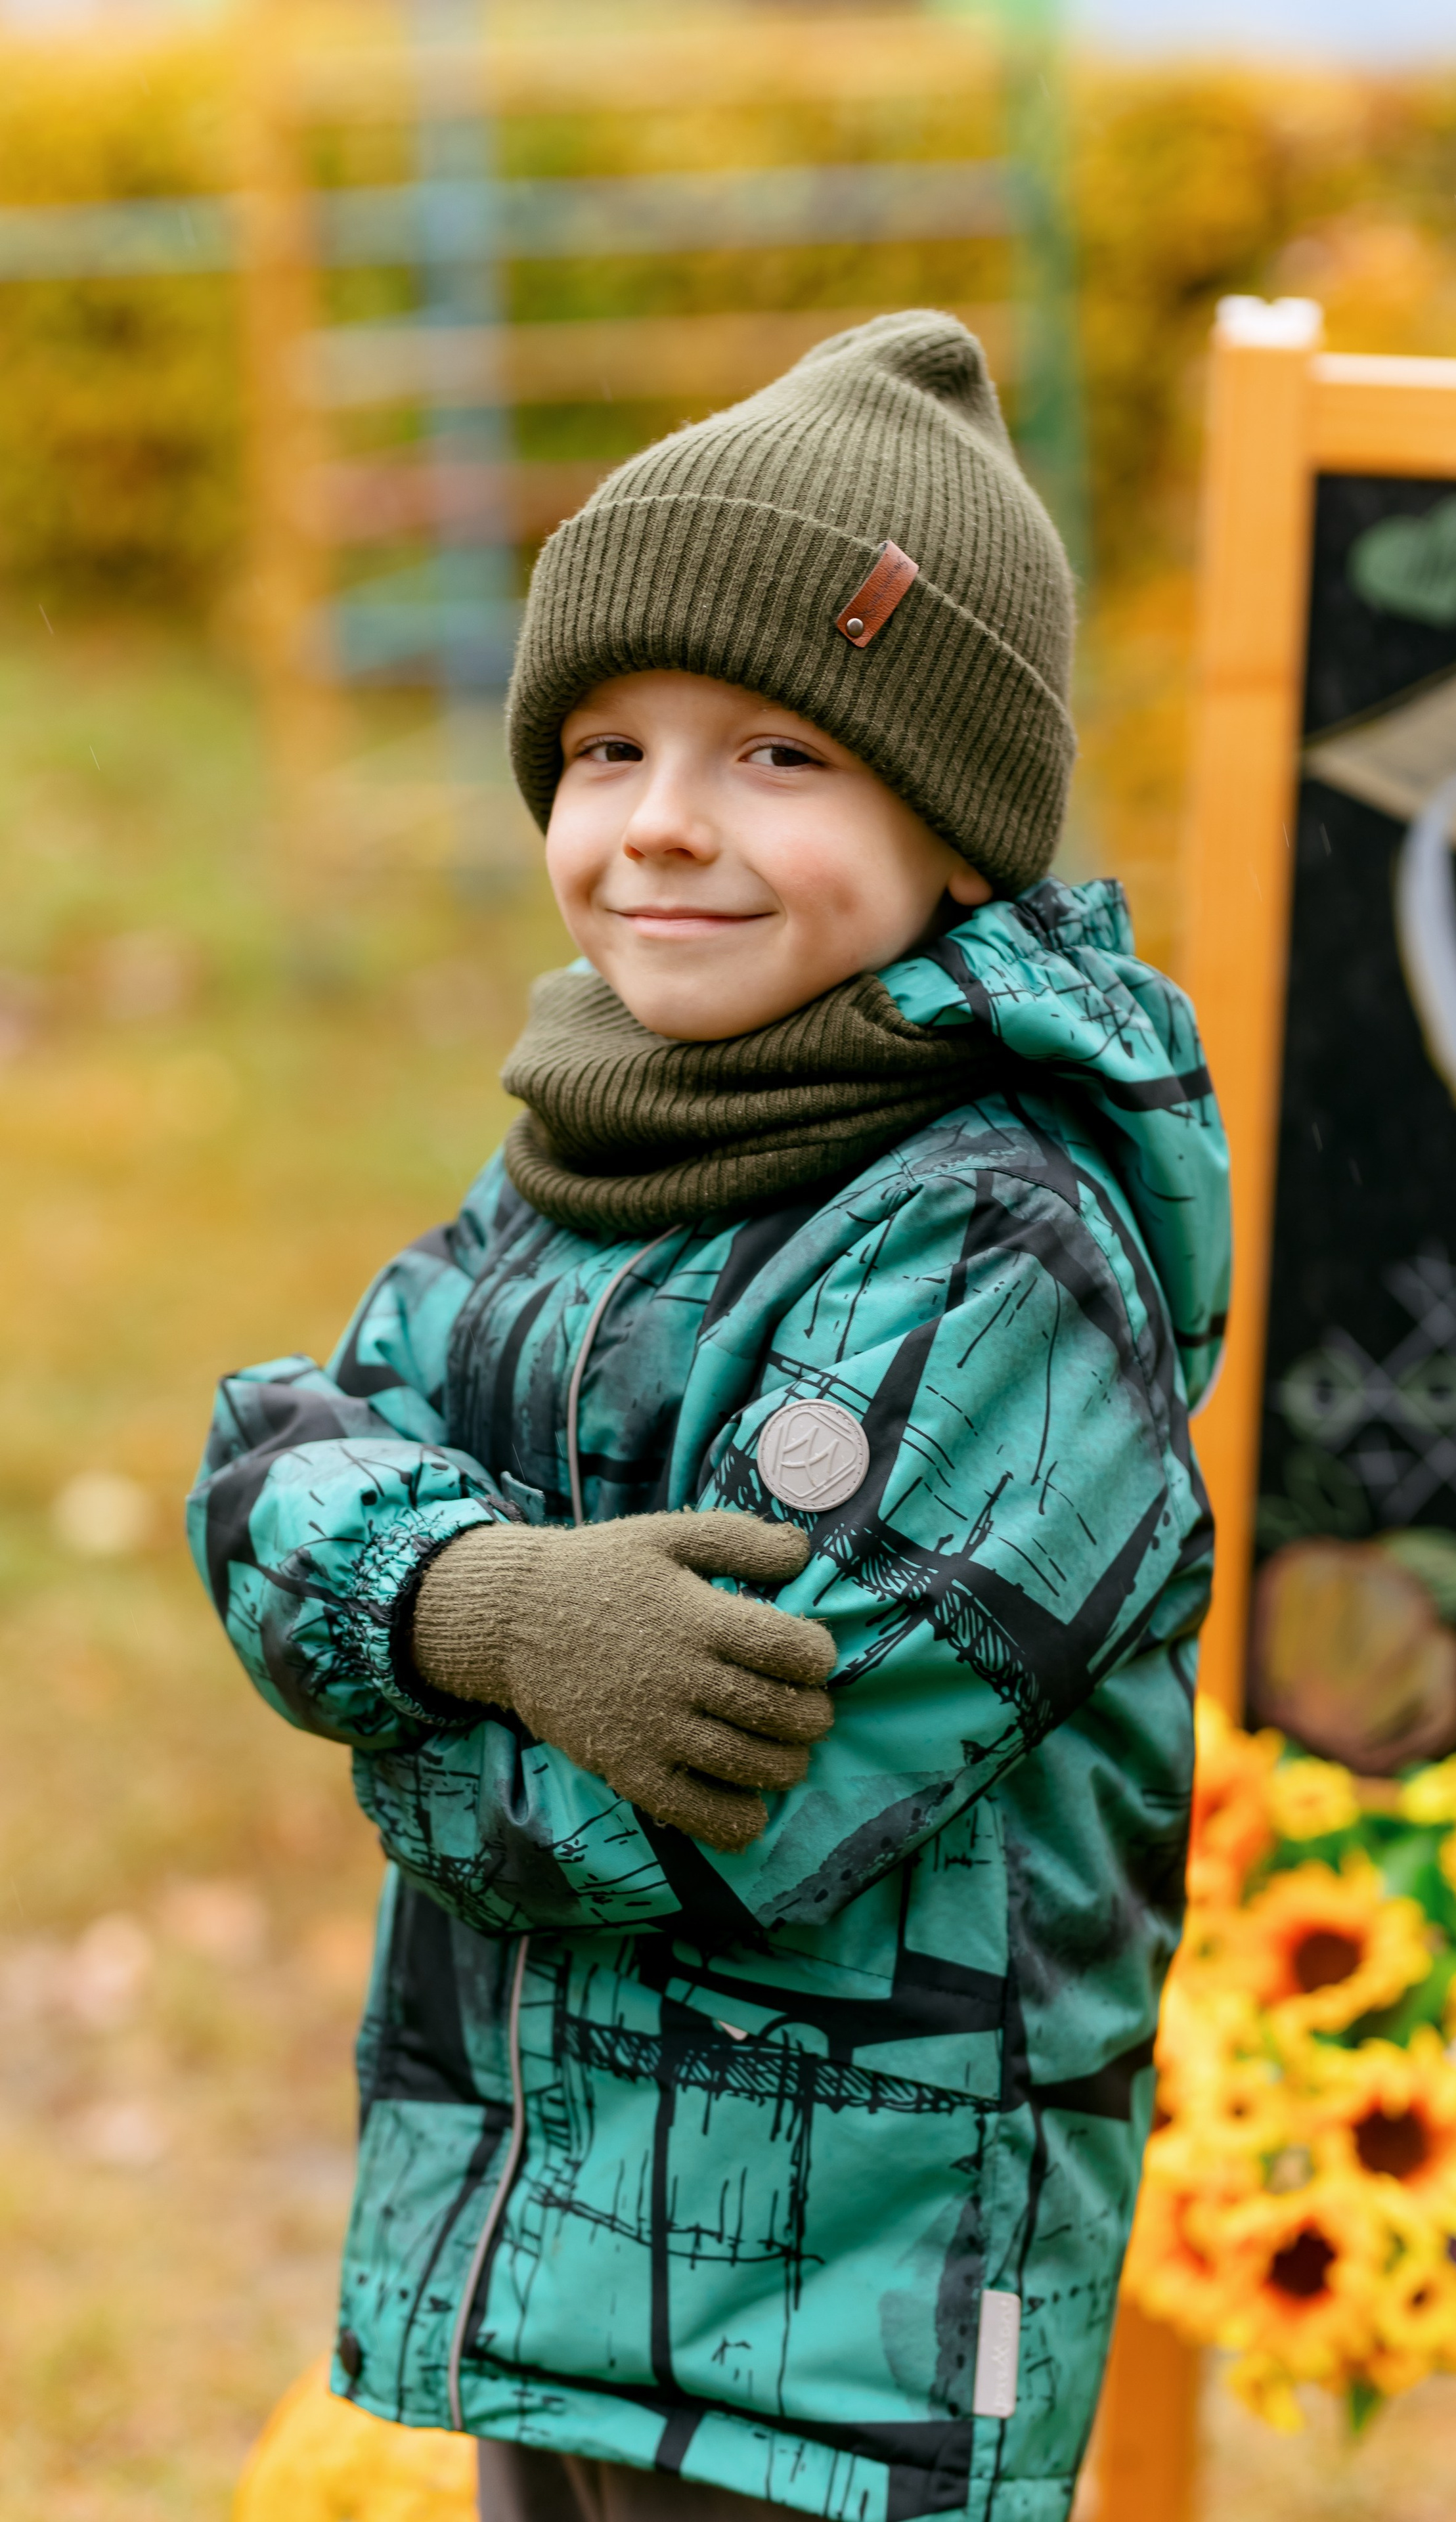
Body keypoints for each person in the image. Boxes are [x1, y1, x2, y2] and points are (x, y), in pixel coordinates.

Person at [188, 310, 1229, 2522]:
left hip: (835, 2341)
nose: (661, 828)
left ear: (950, 822)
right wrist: (476, 1602)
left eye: (777, 756)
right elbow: (270, 1467)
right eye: (603, 750)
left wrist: (372, 1680)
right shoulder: (593, 1144)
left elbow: (689, 1826)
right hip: (538, 2266)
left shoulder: (1006, 1254)